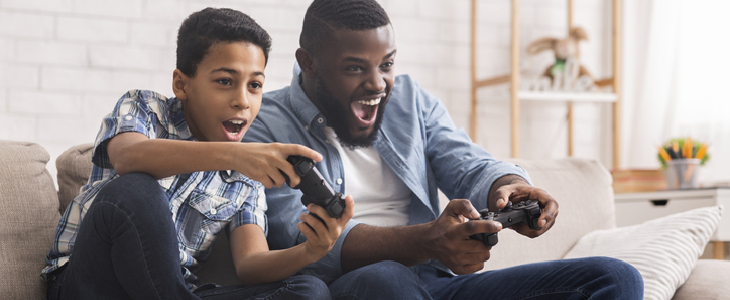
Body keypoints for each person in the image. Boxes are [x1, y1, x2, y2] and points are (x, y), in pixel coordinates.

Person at [242, 0, 644, 299]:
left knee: (615, 278)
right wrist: (425, 242)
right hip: (351, 287)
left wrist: (510, 185)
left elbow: (466, 163)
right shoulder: (265, 125)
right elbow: (294, 238)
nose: (378, 83)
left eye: (386, 64)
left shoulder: (410, 101)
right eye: (354, 68)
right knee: (386, 278)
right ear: (308, 63)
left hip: (437, 284)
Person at [42, 7, 353, 300]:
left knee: (309, 290)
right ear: (181, 84)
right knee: (133, 188)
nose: (242, 101)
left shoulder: (246, 178)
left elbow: (251, 264)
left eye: (255, 85)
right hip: (90, 281)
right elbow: (128, 158)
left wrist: (312, 250)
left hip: (172, 289)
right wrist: (234, 156)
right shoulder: (146, 108)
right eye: (225, 81)